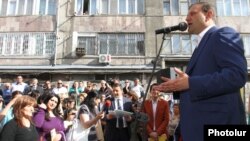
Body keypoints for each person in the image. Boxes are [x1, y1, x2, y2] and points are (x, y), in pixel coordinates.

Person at [154, 2, 247, 141]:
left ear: (209, 14)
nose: (186, 18)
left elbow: (236, 75)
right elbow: (200, 86)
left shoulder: (223, 34)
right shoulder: (200, 45)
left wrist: (190, 83)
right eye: (187, 14)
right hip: (196, 128)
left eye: (192, 13)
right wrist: (177, 86)